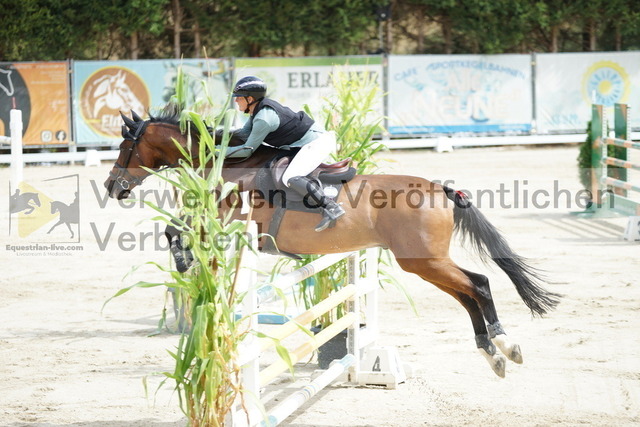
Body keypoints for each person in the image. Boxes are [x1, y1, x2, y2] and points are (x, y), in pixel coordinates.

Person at [228, 75, 345, 232]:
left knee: (290, 177)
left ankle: (331, 207)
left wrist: (216, 152)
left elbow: (246, 151)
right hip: (305, 143)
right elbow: (243, 134)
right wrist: (214, 135)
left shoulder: (264, 118)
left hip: (316, 143)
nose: (236, 100)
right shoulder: (257, 110)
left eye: (239, 97)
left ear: (250, 99)